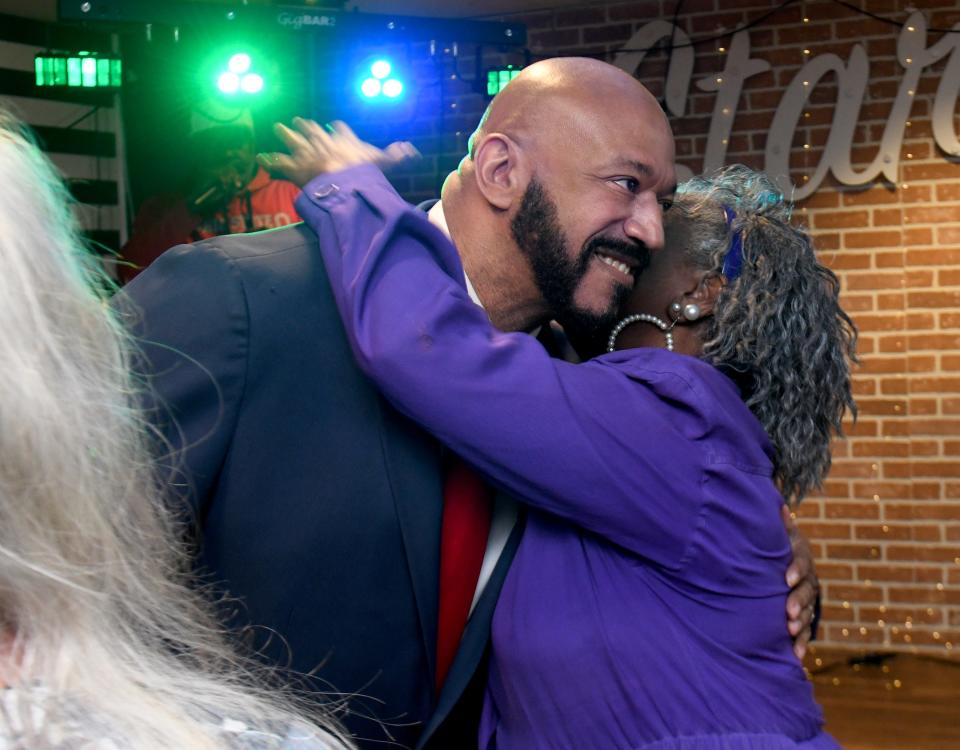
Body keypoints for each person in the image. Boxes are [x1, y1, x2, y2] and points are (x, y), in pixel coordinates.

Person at [121, 58, 818, 749]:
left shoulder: (578, 391)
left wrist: (766, 542)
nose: (650, 231)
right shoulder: (239, 299)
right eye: (628, 185)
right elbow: (45, 535)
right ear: (501, 171)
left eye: (660, 206)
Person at [283, 124, 855, 748]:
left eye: (663, 222)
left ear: (698, 293)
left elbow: (434, 353)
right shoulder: (632, 411)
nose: (643, 234)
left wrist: (349, 186)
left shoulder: (673, 411)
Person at [0, 111, 351, 749]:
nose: (228, 162)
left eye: (237, 149)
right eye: (216, 153)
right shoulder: (177, 207)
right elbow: (138, 285)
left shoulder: (284, 195)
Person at [118, 108, 301, 284]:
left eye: (237, 141)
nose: (229, 152)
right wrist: (191, 208)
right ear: (198, 151)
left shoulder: (291, 195)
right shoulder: (164, 206)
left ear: (252, 144)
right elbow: (130, 270)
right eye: (217, 143)